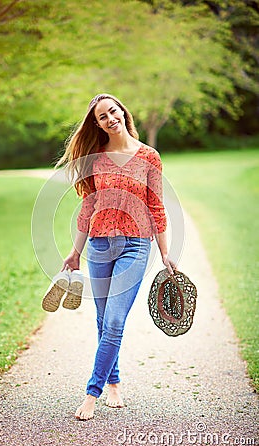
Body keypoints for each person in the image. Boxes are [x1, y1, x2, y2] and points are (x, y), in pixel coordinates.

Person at [58, 93, 176, 420]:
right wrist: (75, 252)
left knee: (114, 320)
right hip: (98, 245)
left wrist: (165, 252)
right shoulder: (95, 158)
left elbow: (156, 205)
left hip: (137, 246)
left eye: (113, 111)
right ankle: (114, 382)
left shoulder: (149, 157)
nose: (111, 118)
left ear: (123, 111)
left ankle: (91, 394)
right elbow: (88, 207)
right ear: (97, 124)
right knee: (102, 319)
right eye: (102, 117)